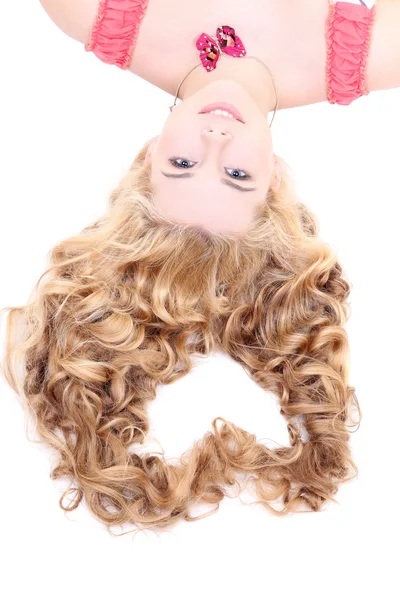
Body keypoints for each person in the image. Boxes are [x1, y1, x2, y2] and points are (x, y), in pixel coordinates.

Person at [0, 0, 396, 532]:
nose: (216, 140)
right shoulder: (372, 53)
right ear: (275, 179)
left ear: (147, 156)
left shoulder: (88, 14)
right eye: (237, 175)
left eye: (182, 166)